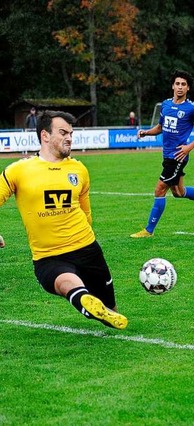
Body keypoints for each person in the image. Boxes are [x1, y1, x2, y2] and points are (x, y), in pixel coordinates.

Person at [0, 110, 128, 329]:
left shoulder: (79, 169)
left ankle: (86, 303)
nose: (69, 137)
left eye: (71, 133)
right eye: (63, 132)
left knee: (111, 311)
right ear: (45, 135)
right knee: (68, 283)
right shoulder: (19, 171)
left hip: (87, 249)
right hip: (48, 256)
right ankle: (84, 301)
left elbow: (86, 214)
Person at [131, 69, 194, 238]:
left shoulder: (191, 109)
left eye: (183, 84)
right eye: (177, 84)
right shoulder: (166, 105)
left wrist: (189, 147)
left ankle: (148, 231)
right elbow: (160, 128)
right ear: (172, 86)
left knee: (159, 189)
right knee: (179, 193)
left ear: (188, 88)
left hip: (177, 156)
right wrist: (146, 132)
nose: (180, 87)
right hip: (166, 155)